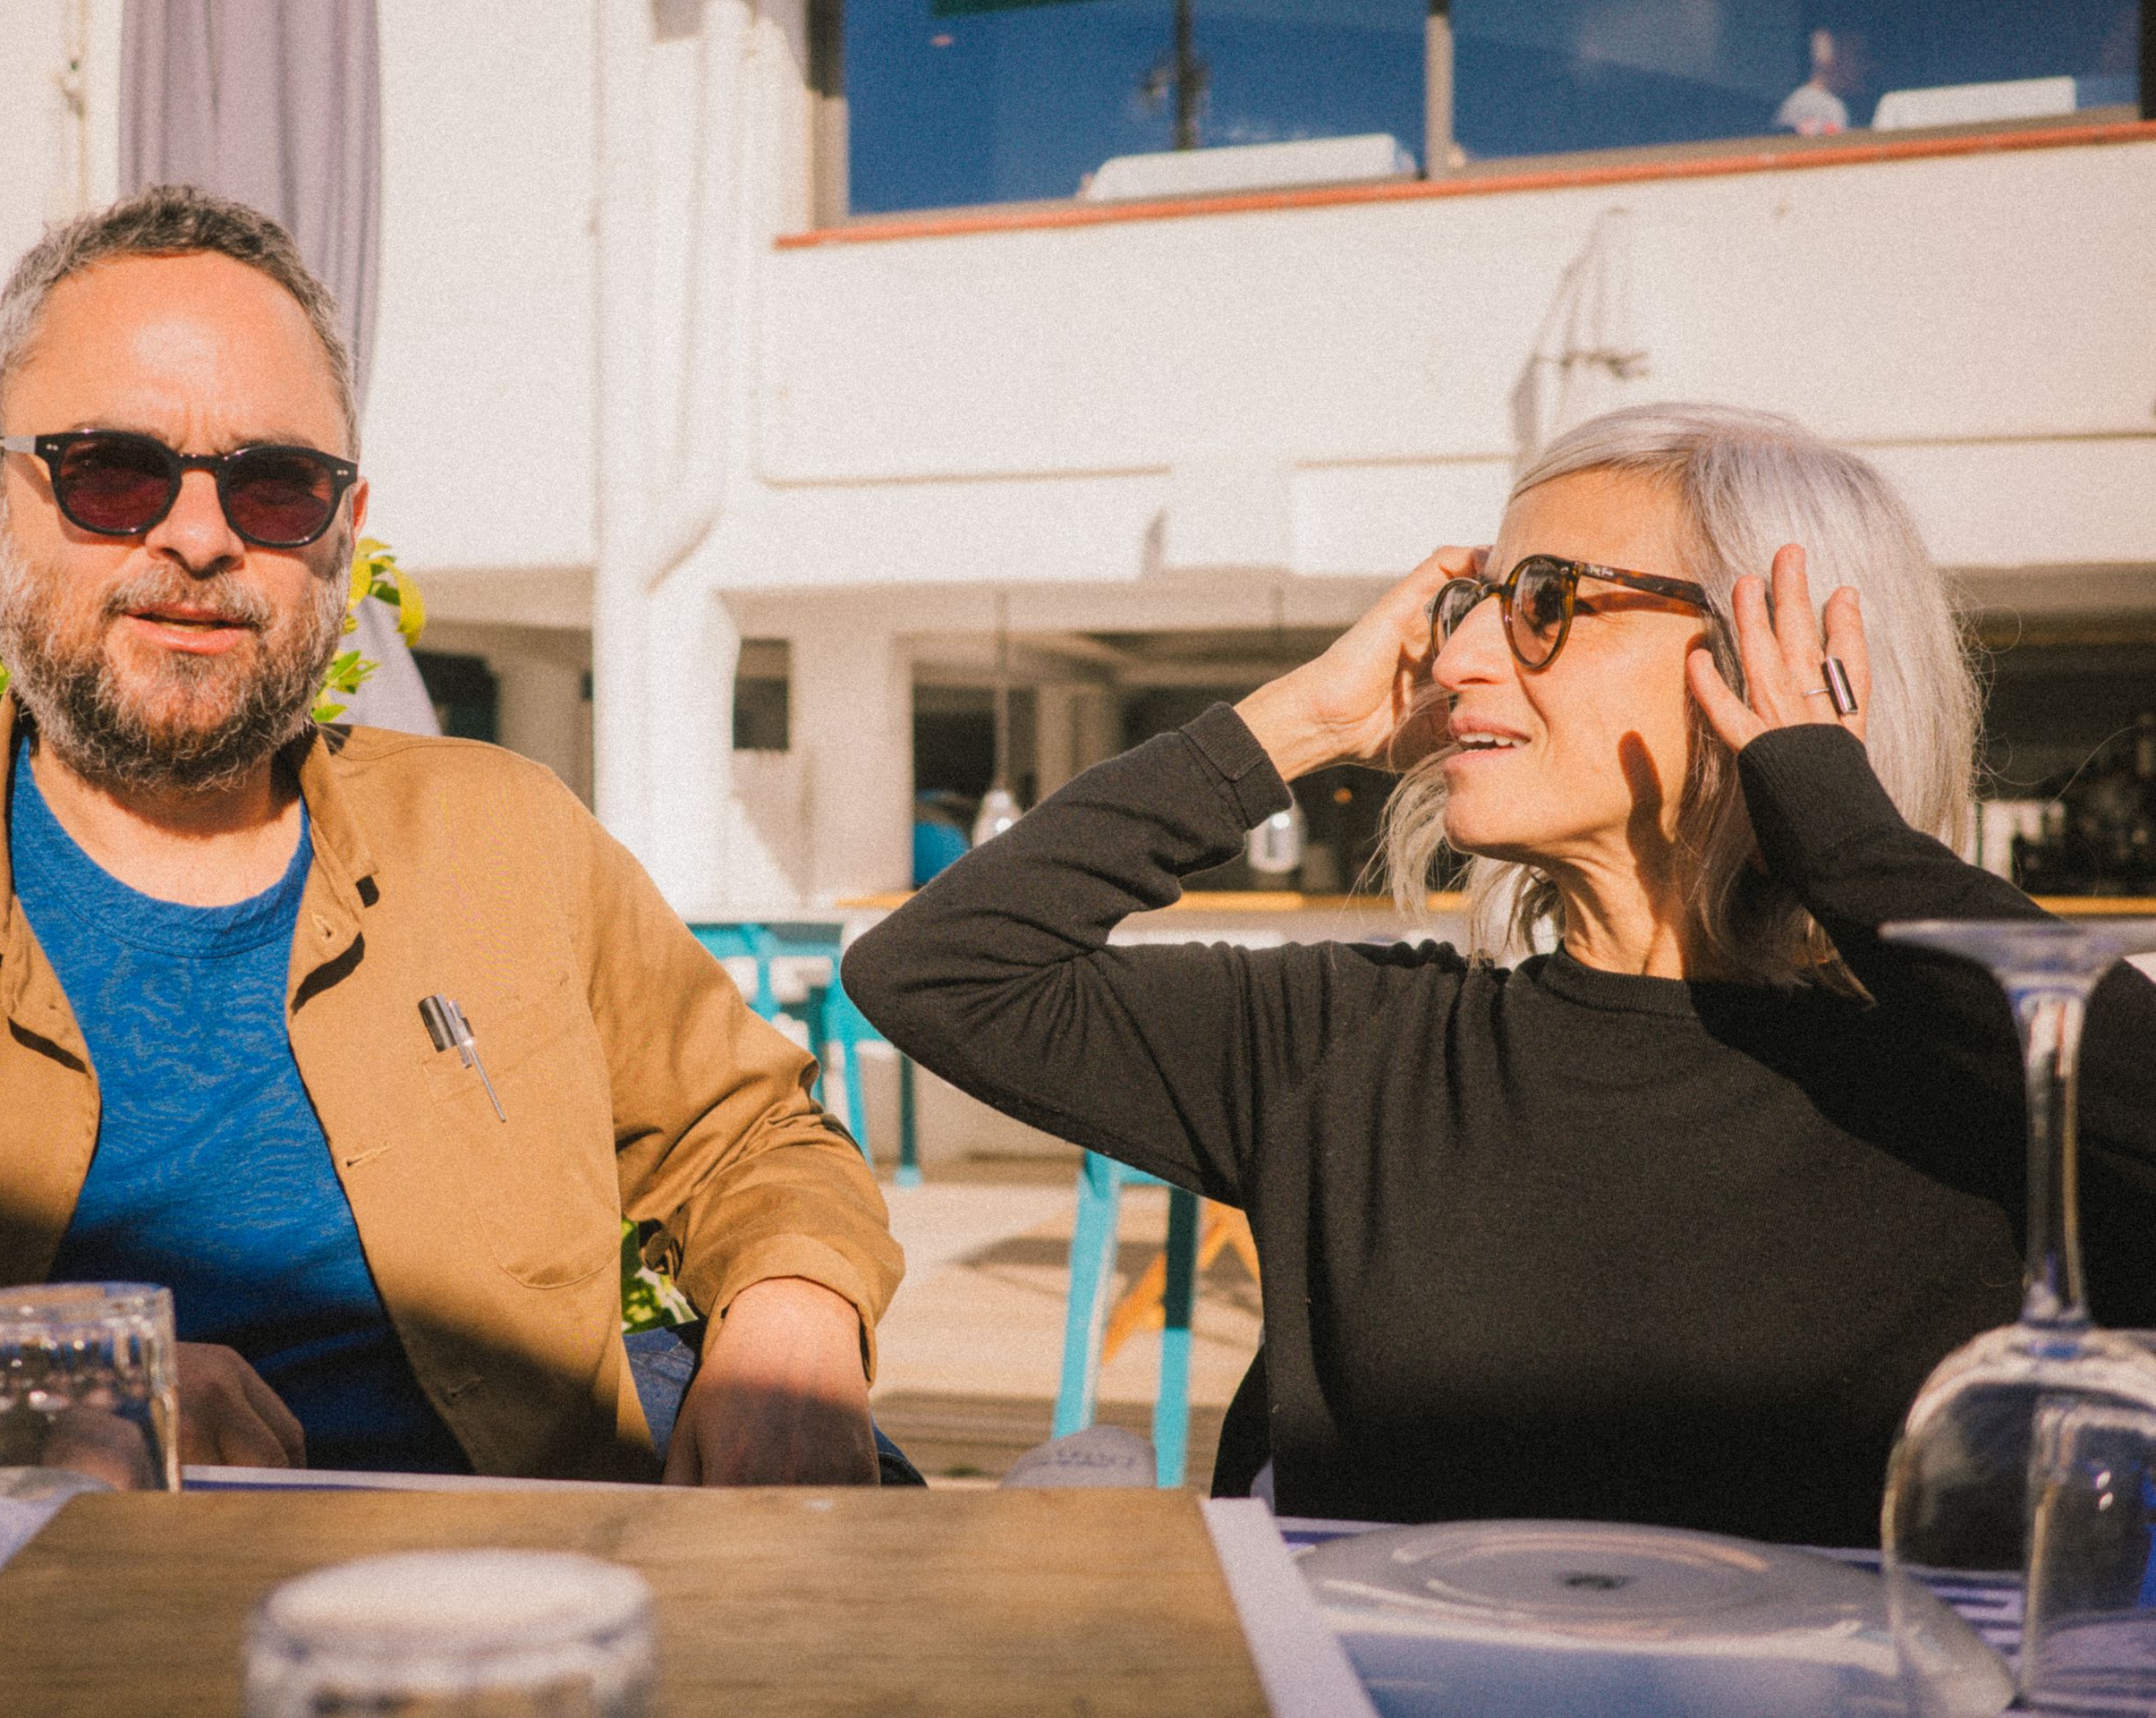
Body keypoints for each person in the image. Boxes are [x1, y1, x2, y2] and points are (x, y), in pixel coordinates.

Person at [0, 186, 904, 1486]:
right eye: (113, 474)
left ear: (342, 532)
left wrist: (793, 1312)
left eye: (274, 487)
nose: (200, 536)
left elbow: (756, 1137)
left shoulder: (507, 840)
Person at [847, 404, 2156, 1545]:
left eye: (1544, 605)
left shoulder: (1973, 1095)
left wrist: (1847, 836)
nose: (1459, 658)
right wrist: (1305, 718)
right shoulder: (1358, 1045)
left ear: (1778, 659)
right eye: (1471, 607)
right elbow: (946, 973)